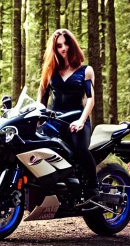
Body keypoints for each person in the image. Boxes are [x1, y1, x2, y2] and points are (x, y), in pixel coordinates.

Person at [37, 29, 99, 199]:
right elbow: (41, 97)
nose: (63, 48)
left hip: (77, 118)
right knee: (39, 146)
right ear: (54, 48)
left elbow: (90, 100)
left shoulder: (86, 70)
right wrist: (38, 118)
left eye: (66, 43)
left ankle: (93, 186)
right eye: (59, 45)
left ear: (72, 45)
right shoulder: (50, 71)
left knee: (79, 149)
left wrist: (81, 121)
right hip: (54, 119)